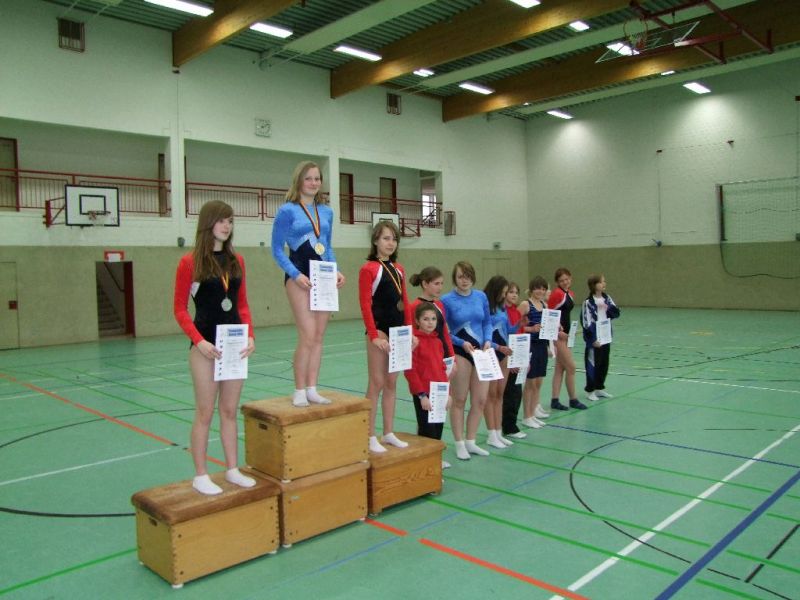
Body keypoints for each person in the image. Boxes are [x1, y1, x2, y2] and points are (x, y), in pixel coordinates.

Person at [174, 200, 256, 495]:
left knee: (230, 410)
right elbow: (180, 309)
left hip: (234, 344)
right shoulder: (190, 262)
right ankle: (200, 474)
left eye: (230, 221)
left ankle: (232, 469)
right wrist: (199, 341)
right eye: (222, 220)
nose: (226, 226)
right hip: (205, 346)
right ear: (208, 223)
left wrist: (250, 336)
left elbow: (242, 304)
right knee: (205, 411)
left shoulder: (237, 261)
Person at [271, 161, 345, 407]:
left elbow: (327, 246)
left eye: (317, 178)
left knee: (319, 335)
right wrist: (295, 274)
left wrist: (335, 270)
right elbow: (277, 250)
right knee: (308, 334)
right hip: (299, 276)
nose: (313, 183)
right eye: (308, 178)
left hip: (323, 275)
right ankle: (299, 389)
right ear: (299, 181)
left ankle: (312, 388)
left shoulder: (327, 212)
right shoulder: (287, 211)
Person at [358, 220, 412, 453]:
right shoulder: (369, 268)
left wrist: (409, 331)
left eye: (394, 239)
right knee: (377, 382)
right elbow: (365, 304)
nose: (391, 243)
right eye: (386, 238)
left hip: (398, 332)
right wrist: (373, 336)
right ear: (375, 241)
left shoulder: (399, 269)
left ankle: (388, 432)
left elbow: (405, 302)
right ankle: (369, 435)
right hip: (379, 330)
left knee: (391, 382)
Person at [441, 261, 493, 460]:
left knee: (480, 400)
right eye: (461, 276)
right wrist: (460, 343)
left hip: (481, 353)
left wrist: (488, 340)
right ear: (455, 278)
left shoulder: (481, 296)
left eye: (468, 276)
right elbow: (444, 330)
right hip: (461, 352)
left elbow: (487, 322)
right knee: (460, 399)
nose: (465, 280)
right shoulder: (447, 300)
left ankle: (471, 441)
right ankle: (459, 443)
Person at [405, 302, 452, 468]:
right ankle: (427, 465)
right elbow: (410, 370)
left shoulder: (438, 342)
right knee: (427, 430)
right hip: (424, 394)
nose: (430, 322)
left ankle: (435, 459)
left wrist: (448, 393)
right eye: (425, 319)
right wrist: (421, 395)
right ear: (417, 321)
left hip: (439, 393)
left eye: (433, 319)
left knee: (438, 427)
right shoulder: (414, 342)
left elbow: (442, 368)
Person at [548, 268, 587, 410]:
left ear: (570, 278)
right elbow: (548, 316)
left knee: (560, 368)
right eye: (561, 280)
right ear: (557, 282)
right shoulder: (557, 294)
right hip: (558, 336)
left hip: (566, 336)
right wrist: (558, 332)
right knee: (571, 367)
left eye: (566, 279)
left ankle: (555, 400)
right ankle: (573, 399)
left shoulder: (570, 293)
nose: (565, 282)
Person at [483, 275, 514, 449]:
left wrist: (520, 323)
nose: (505, 295)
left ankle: (498, 431)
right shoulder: (486, 307)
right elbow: (484, 333)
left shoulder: (503, 308)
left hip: (504, 352)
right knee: (491, 394)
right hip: (492, 352)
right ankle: (491, 433)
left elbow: (508, 329)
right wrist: (498, 347)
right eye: (503, 292)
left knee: (500, 394)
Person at [517, 276, 551, 429]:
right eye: (538, 288)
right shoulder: (526, 304)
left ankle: (532, 413)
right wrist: (530, 328)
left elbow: (547, 327)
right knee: (530, 382)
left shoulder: (544, 304)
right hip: (529, 346)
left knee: (537, 381)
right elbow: (513, 325)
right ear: (532, 289)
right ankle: (526, 416)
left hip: (542, 345)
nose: (540, 291)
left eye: (543, 289)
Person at [582, 274, 621, 401]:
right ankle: (590, 390)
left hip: (606, 337)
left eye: (604, 281)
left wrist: (608, 307)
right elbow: (586, 322)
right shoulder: (588, 303)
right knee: (593, 364)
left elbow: (616, 313)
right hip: (595, 339)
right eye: (601, 282)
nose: (604, 284)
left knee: (604, 363)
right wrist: (593, 339)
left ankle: (599, 387)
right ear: (594, 285)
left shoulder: (607, 298)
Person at [408, 266, 456, 364]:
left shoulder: (439, 305)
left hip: (443, 356)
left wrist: (452, 357)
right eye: (436, 284)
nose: (440, 288)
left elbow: (445, 333)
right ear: (425, 284)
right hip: (425, 359)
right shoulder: (413, 307)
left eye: (442, 283)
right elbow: (411, 334)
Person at [500, 281, 529, 439]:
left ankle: (511, 424)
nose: (514, 295)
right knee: (509, 393)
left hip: (518, 357)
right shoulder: (503, 312)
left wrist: (524, 359)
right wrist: (509, 361)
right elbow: (505, 336)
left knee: (517, 392)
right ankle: (508, 427)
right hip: (508, 357)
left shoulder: (517, 313)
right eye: (511, 292)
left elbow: (521, 335)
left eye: (516, 292)